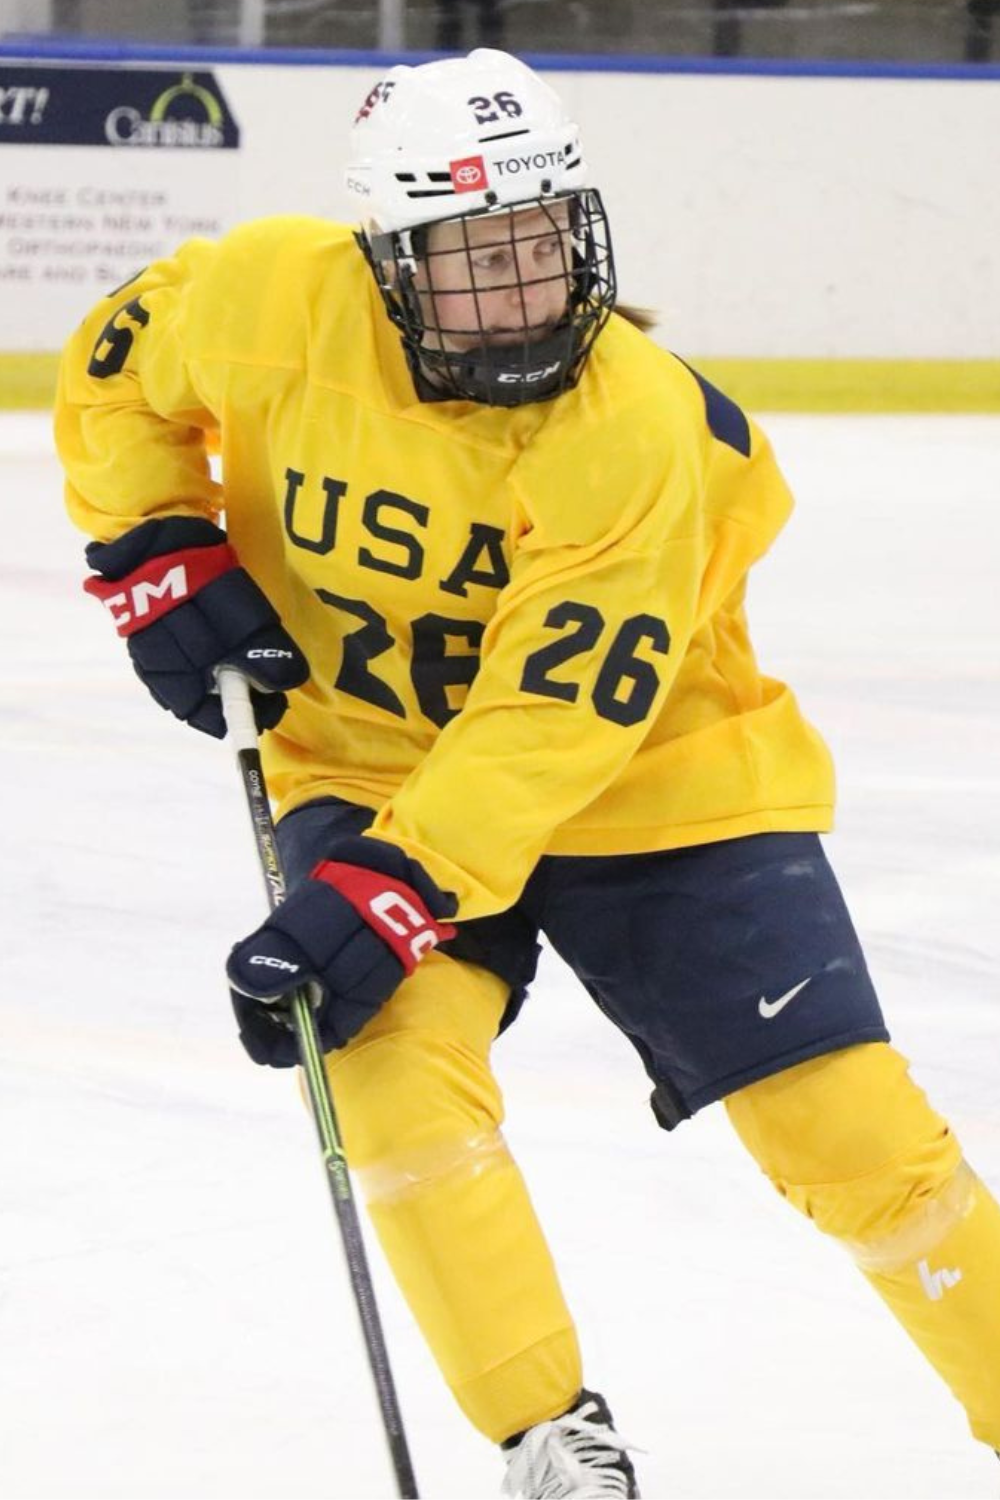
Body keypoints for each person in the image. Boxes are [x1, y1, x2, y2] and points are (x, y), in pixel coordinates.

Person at [55, 48, 1000, 1500]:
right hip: (371, 759)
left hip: (661, 778)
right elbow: (115, 381)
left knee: (851, 1128)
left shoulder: (634, 424)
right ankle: (552, 1438)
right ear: (384, 263)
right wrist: (154, 544)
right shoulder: (261, 295)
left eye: (541, 245)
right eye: (471, 258)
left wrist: (384, 889)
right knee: (384, 1074)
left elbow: (549, 720)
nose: (525, 291)